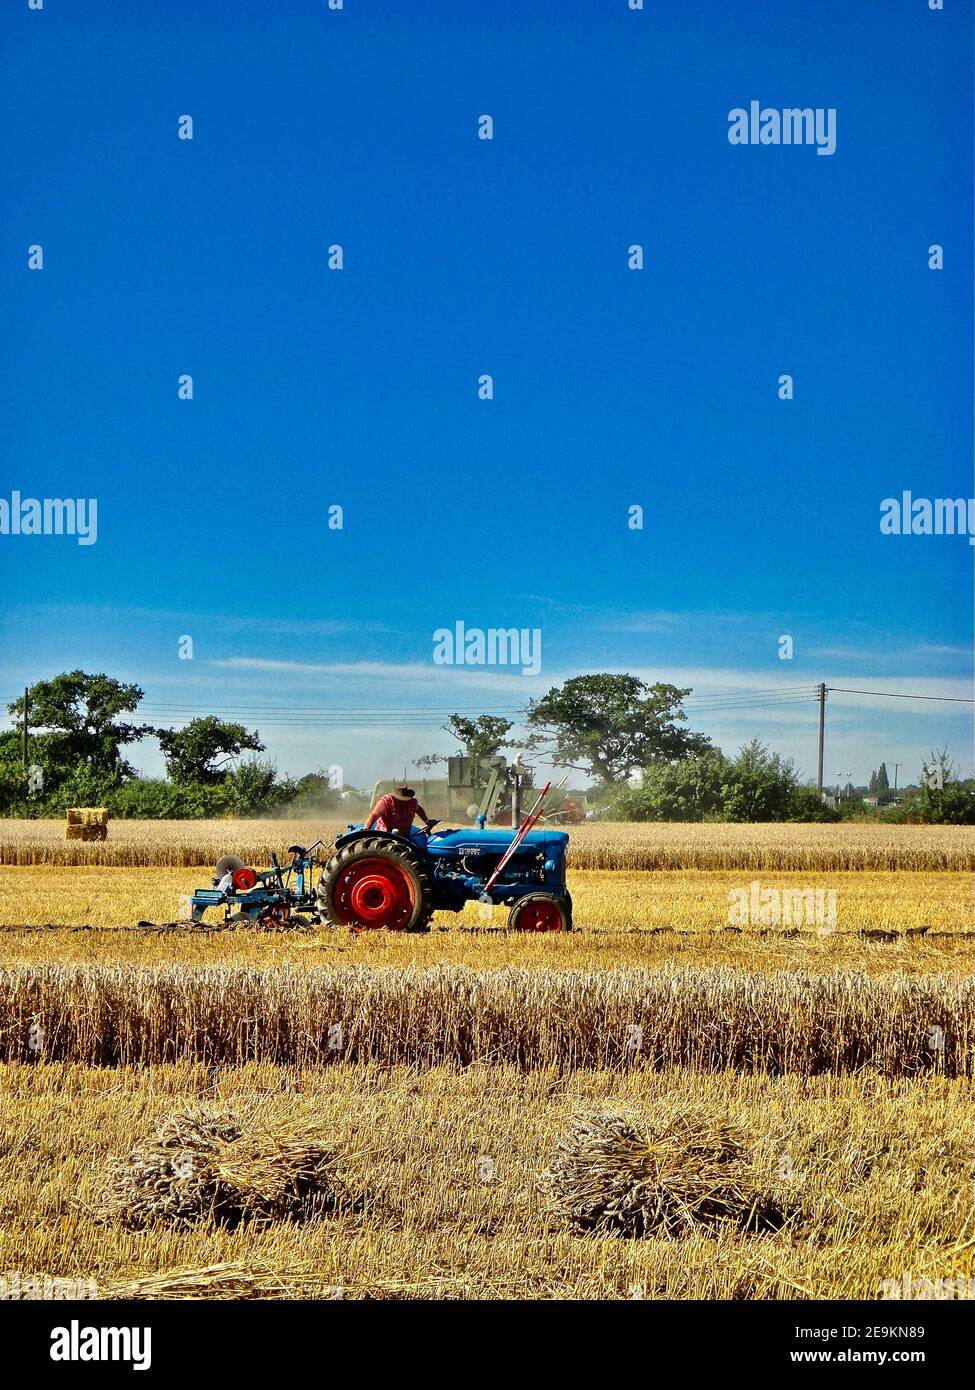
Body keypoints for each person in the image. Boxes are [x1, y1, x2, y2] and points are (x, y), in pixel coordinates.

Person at [364, 781, 434, 836]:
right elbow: (373, 817)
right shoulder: (385, 802)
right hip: (386, 837)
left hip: (405, 836)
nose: (404, 801)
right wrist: (366, 830)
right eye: (401, 799)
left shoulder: (412, 801)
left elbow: (419, 809)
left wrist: (426, 820)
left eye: (405, 799)